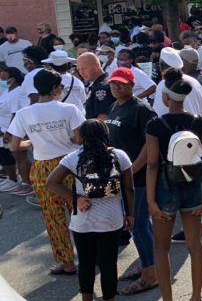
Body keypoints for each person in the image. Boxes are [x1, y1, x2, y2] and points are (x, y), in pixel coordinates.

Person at [45, 119, 134, 301]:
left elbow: (51, 183)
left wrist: (75, 199)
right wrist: (130, 214)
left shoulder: (73, 157)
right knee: (108, 264)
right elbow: (128, 189)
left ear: (83, 136)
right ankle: (109, 298)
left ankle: (87, 298)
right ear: (106, 134)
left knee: (86, 263)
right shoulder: (120, 156)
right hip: (111, 219)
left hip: (83, 221)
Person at [8, 68, 85, 275]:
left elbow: (15, 146)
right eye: (59, 86)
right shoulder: (69, 109)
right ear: (54, 88)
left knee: (53, 217)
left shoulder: (25, 113)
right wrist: (64, 138)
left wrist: (36, 139)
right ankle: (88, 256)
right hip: (70, 164)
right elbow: (79, 139)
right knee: (79, 211)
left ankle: (66, 262)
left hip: (43, 168)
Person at [145, 75, 202, 301]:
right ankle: (196, 296)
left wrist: (151, 201)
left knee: (161, 248)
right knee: (194, 244)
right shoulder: (200, 122)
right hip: (193, 185)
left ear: (165, 96)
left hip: (165, 188)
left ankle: (168, 299)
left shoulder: (154, 124)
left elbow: (152, 163)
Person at [104, 66, 159, 295]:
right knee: (138, 225)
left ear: (131, 84)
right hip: (119, 175)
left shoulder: (141, 109)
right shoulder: (115, 106)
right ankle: (150, 263)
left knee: (138, 225)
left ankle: (150, 275)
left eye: (121, 83)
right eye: (113, 84)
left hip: (137, 177)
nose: (116, 87)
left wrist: (132, 168)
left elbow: (150, 143)